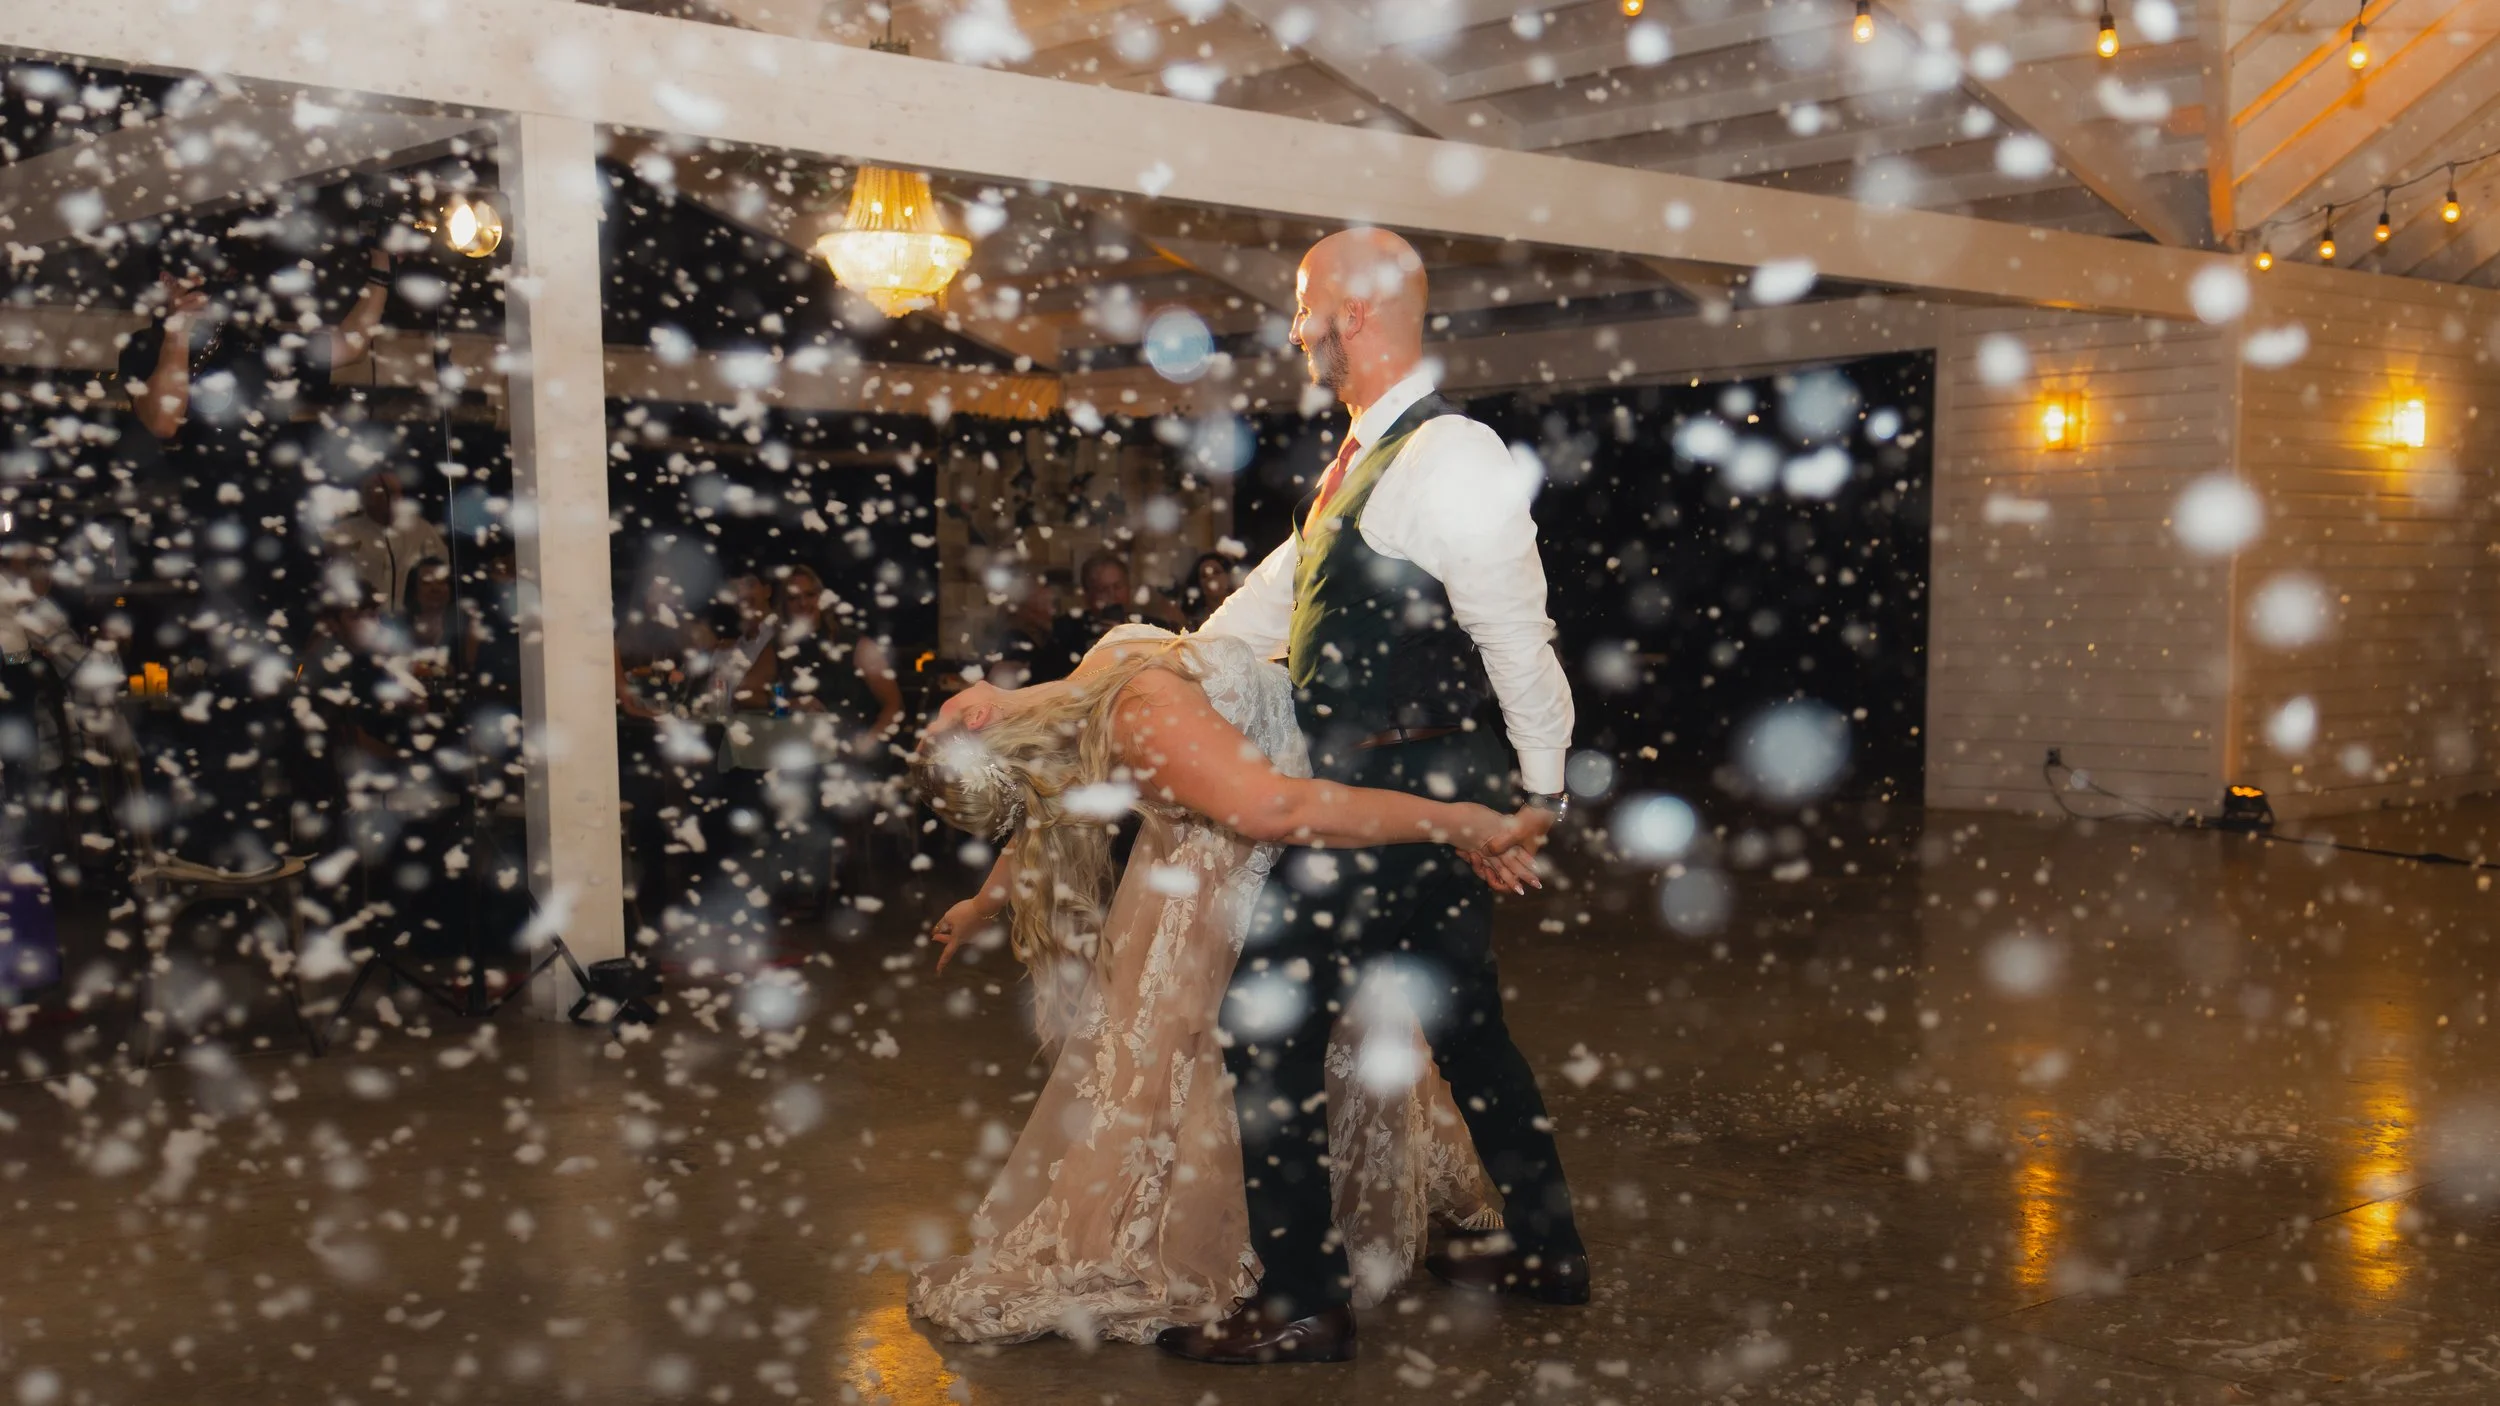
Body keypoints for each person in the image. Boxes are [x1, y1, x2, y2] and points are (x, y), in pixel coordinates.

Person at [1164, 228, 1588, 1365]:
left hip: (1398, 786)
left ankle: (1302, 1299)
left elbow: (1516, 634)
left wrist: (1538, 795)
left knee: (1264, 1030)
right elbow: (1256, 618)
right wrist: (1123, 675)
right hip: (1417, 787)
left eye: (1303, 307)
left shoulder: (1449, 452)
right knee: (1466, 1022)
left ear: (1347, 312)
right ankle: (1548, 1250)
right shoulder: (1356, 462)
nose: (1295, 330)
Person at [907, 625, 1540, 1346]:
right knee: (1250, 1066)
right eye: (936, 726)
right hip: (1255, 876)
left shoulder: (1083, 699)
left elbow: (1044, 804)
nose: (931, 714)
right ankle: (1294, 1280)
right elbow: (1280, 810)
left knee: (1291, 1058)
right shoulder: (1136, 709)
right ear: (977, 717)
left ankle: (1315, 1272)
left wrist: (981, 904)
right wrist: (1452, 820)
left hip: (1276, 855)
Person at [327, 468, 450, 611]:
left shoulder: (422, 531)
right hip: (362, 618)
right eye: (375, 491)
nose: (384, 497)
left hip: (408, 620)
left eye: (391, 492)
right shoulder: (345, 532)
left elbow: (441, 575)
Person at [1182, 551, 1238, 628]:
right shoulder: (1195, 623)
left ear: (1228, 576)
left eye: (1216, 572)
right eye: (1204, 575)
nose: (1211, 578)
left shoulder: (1244, 609)